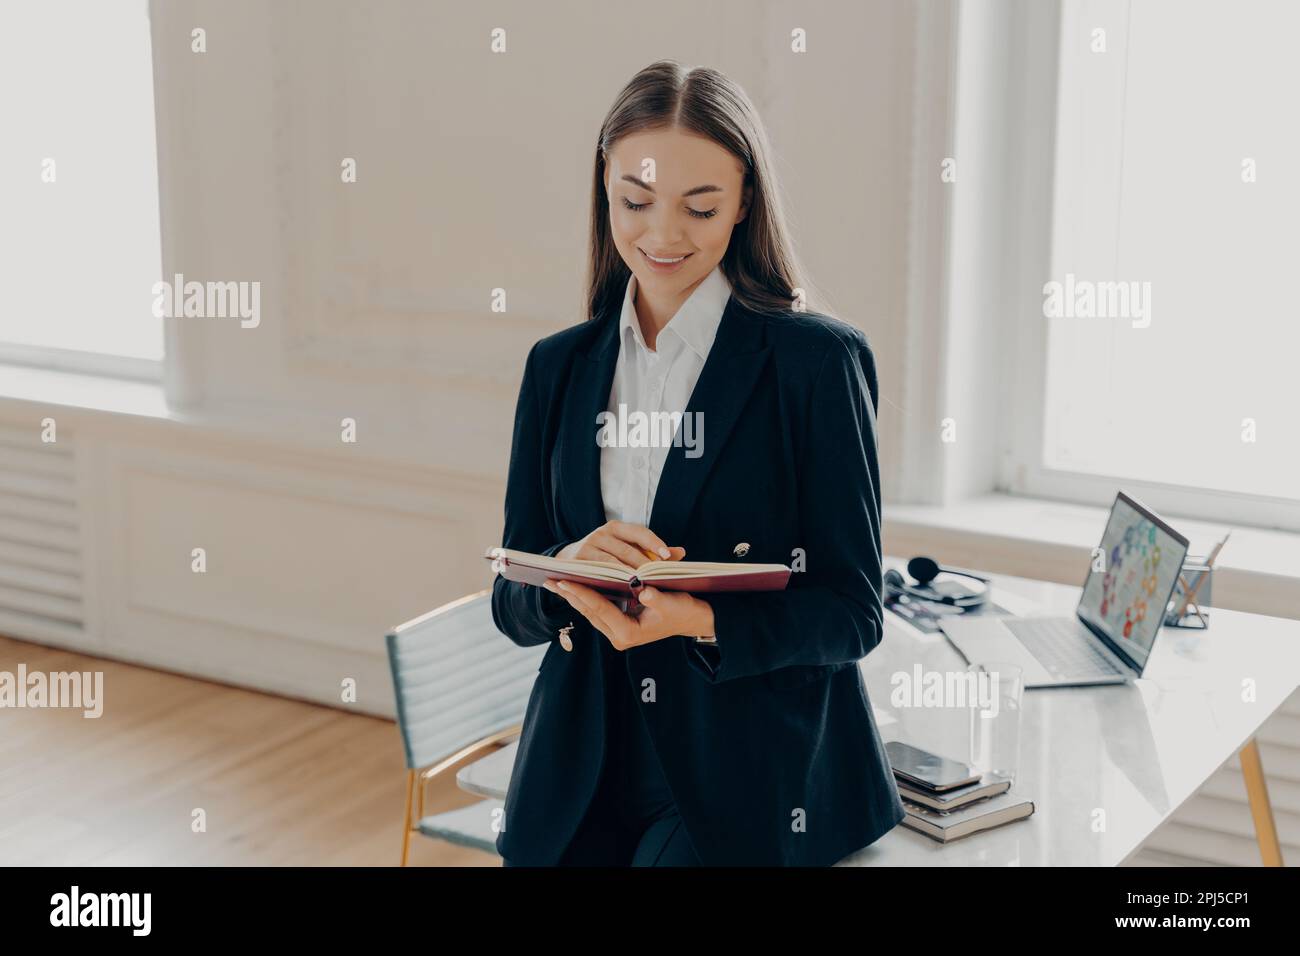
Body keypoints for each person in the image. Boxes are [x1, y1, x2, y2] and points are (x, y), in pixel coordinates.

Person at [491, 60, 905, 866]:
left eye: (700, 206)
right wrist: (564, 572)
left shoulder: (816, 363)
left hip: (753, 769)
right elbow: (511, 601)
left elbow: (854, 613)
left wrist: (704, 619)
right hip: (579, 760)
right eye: (635, 202)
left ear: (746, 199)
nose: (663, 235)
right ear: (604, 191)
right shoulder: (558, 367)